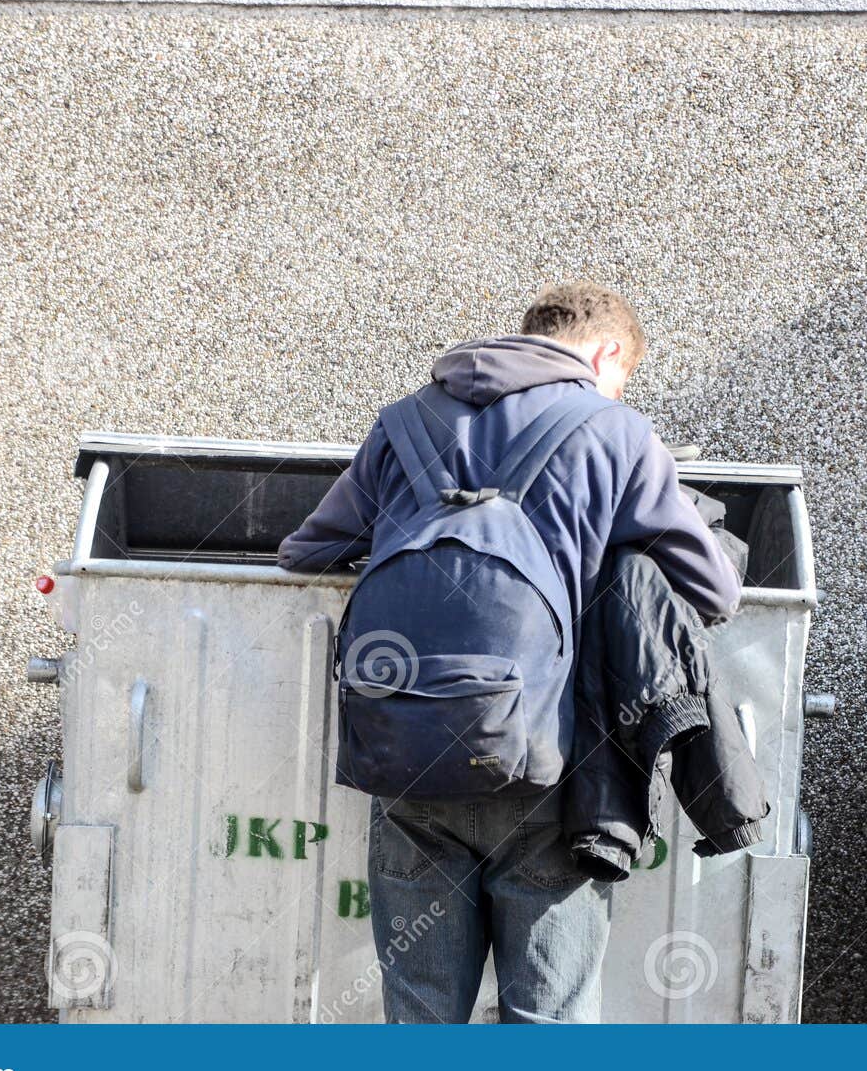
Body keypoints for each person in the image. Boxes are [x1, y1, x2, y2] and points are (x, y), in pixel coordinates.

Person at [279, 280, 741, 1022]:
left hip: (406, 758)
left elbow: (306, 550)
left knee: (421, 1019)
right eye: (621, 378)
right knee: (549, 1023)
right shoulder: (615, 431)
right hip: (546, 774)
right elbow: (714, 592)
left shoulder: (404, 422)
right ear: (608, 352)